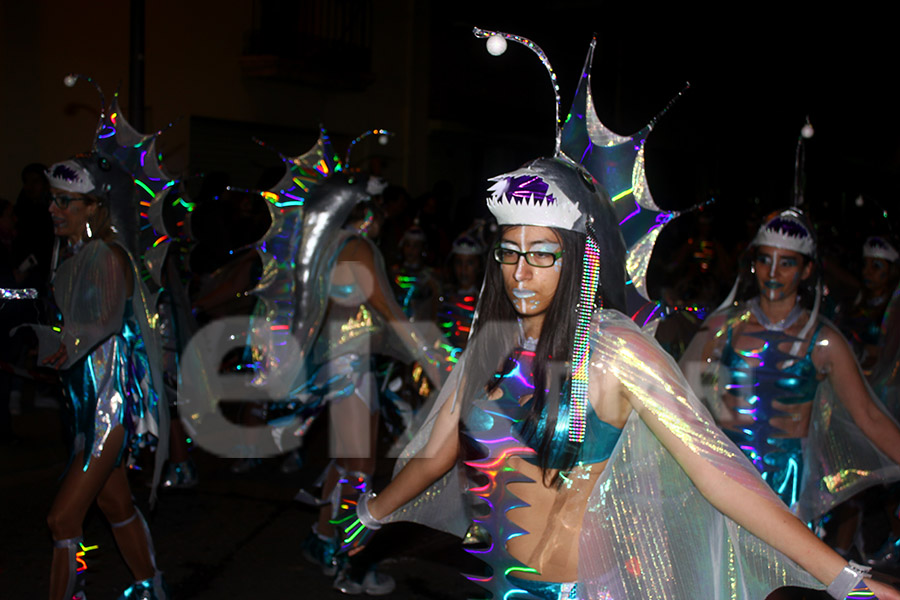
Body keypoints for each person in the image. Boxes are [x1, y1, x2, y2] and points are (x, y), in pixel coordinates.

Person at [331, 158, 899, 600]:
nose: (520, 273)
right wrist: (368, 515)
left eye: (542, 254)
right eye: (508, 253)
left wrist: (844, 577)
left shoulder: (612, 349)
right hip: (504, 586)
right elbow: (434, 455)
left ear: (580, 257)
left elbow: (718, 474)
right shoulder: (492, 344)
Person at [680, 209, 900, 525]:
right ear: (753, 263)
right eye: (765, 259)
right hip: (725, 482)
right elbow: (686, 403)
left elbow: (869, 416)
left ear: (807, 270)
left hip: (786, 493)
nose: (773, 272)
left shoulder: (823, 342)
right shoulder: (723, 327)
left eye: (787, 263)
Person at [38, 156, 168, 599]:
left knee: (62, 519)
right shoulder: (73, 256)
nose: (54, 209)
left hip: (110, 406)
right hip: (85, 402)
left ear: (93, 206)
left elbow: (105, 324)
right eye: (52, 200)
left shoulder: (107, 254)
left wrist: (58, 342)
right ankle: (150, 587)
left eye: (65, 201)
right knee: (115, 503)